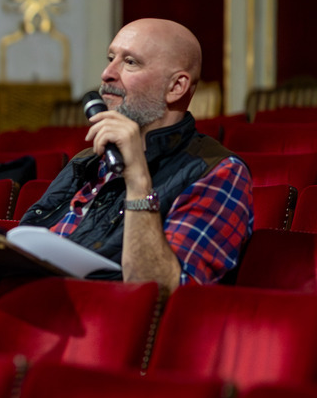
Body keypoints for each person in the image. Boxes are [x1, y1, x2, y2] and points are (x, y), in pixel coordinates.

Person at [19, 18, 253, 291]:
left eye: (130, 62)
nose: (107, 73)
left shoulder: (220, 171)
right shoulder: (87, 159)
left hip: (108, 313)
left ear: (176, 87)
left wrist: (138, 180)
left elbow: (166, 292)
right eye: (111, 58)